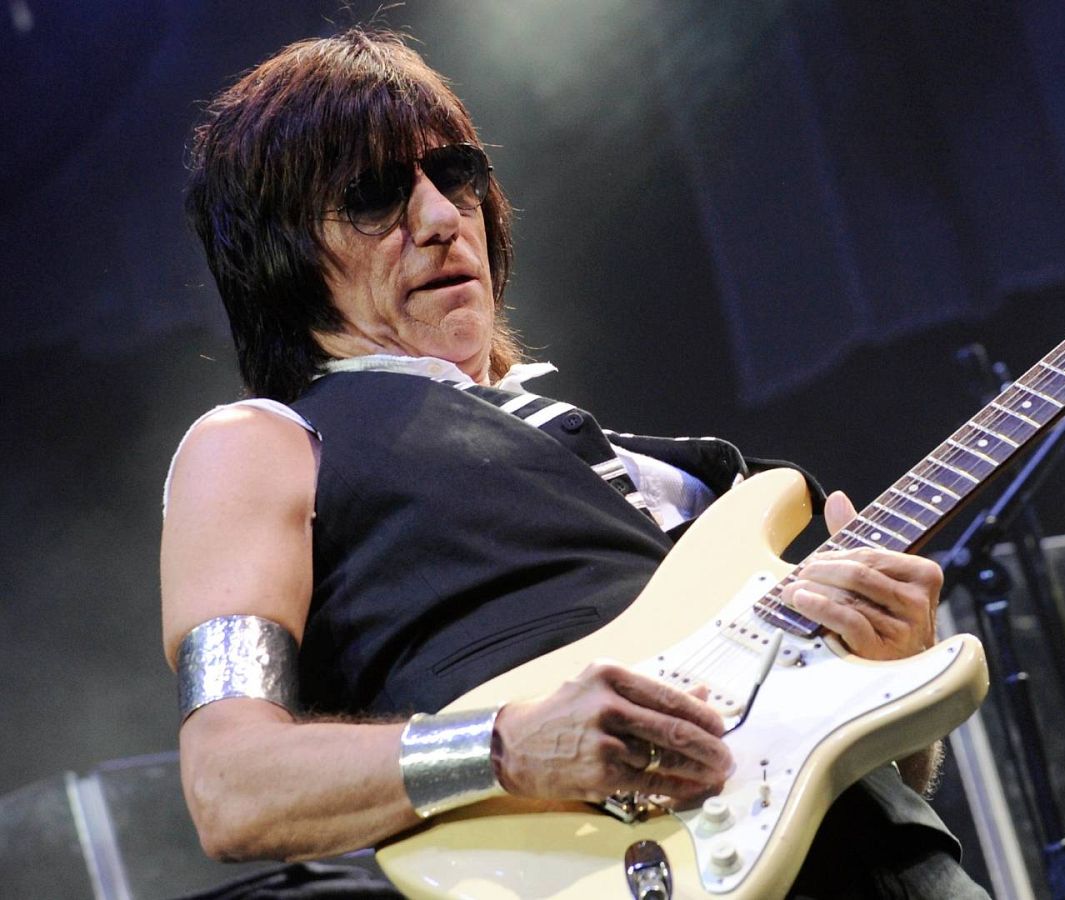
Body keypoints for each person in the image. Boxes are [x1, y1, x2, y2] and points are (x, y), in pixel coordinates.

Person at [162, 27, 988, 899]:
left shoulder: (690, 483)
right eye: (374, 196)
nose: (443, 218)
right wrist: (508, 746)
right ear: (278, 251)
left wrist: (887, 667)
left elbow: (839, 751)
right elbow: (231, 786)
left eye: (457, 175)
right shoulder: (257, 443)